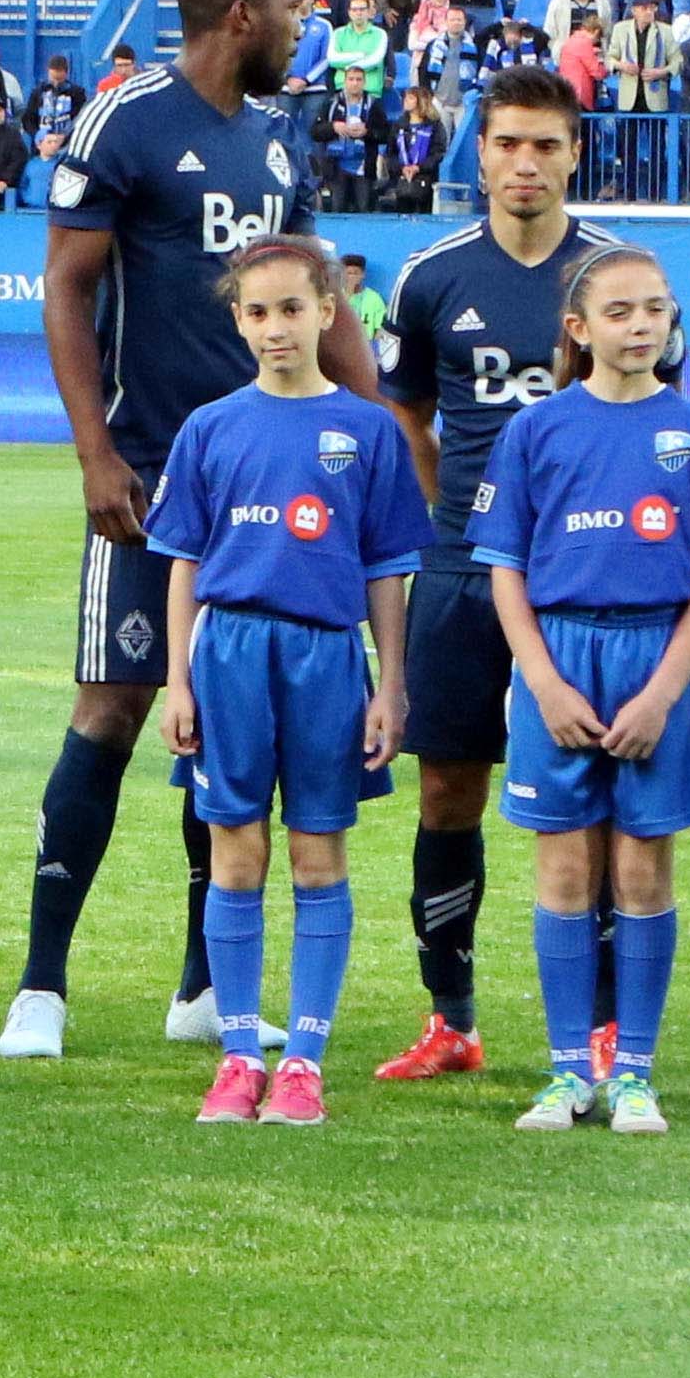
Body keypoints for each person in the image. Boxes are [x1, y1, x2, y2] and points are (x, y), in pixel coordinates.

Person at [10, 0, 392, 1060]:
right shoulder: (123, 119)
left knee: (224, 720)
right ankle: (41, 984)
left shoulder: (280, 139)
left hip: (266, 478)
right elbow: (66, 290)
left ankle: (202, 988)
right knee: (113, 708)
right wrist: (93, 452)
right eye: (290, 6)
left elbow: (318, 300)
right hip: (147, 470)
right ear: (239, 14)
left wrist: (383, 433)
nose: (300, 25)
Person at [146, 235, 427, 1124]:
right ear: (238, 320)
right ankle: (237, 1054)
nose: (276, 328)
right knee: (237, 850)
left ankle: (302, 1058)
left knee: (317, 854)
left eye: (292, 309)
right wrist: (178, 679)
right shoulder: (211, 426)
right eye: (258, 312)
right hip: (228, 655)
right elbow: (184, 561)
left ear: (330, 310)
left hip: (326, 659)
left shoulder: (369, 428)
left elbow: (387, 568)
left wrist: (391, 684)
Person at [479, 242, 690, 1135]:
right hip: (559, 659)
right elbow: (506, 569)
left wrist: (663, 693)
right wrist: (543, 681)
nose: (640, 326)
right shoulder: (537, 428)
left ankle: (634, 1070)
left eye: (655, 310)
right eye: (620, 311)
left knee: (641, 868)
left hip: (655, 661)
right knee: (565, 868)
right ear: (579, 328)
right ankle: (568, 1072)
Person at [374, 66, 613, 1075]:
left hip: (582, 583)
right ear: (479, 153)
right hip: (462, 575)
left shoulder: (610, 279)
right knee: (447, 795)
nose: (525, 163)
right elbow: (403, 411)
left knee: (592, 808)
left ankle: (604, 1027)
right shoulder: (431, 276)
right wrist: (449, 512)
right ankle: (452, 1018)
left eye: (544, 146)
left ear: (573, 155)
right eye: (507, 144)